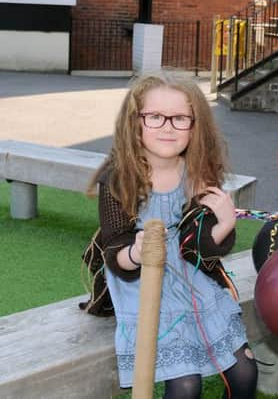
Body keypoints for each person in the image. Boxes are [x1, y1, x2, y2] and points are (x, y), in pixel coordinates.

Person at [87, 72, 257, 399]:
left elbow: (202, 253)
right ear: (134, 123)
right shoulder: (118, 179)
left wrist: (223, 225)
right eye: (155, 117)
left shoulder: (197, 174)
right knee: (185, 385)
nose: (167, 126)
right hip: (141, 284)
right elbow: (115, 253)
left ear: (195, 126)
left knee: (246, 372)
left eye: (180, 118)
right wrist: (137, 252)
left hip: (192, 279)